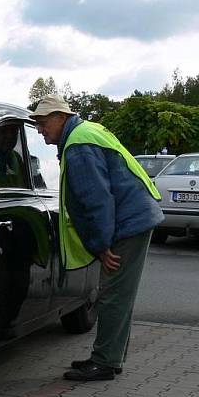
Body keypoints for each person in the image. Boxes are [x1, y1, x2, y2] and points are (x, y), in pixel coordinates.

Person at [30, 94, 164, 381]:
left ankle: (104, 362)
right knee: (119, 295)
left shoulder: (78, 145)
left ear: (59, 117)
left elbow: (96, 201)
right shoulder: (85, 132)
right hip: (135, 218)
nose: (40, 130)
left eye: (42, 123)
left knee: (113, 295)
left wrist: (102, 246)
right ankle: (109, 357)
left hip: (127, 224)